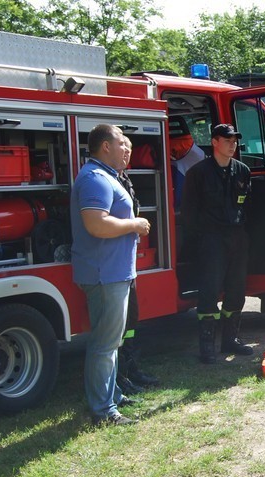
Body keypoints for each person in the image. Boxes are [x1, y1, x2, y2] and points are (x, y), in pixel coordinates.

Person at [71, 124, 150, 425]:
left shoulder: (107, 177)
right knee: (104, 344)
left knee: (112, 342)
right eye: (123, 143)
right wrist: (134, 224)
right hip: (105, 275)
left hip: (115, 273)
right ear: (105, 146)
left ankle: (111, 396)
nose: (128, 149)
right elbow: (96, 224)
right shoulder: (95, 178)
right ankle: (104, 411)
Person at [181, 124, 254, 364]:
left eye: (235, 139)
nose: (233, 143)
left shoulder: (242, 171)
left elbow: (247, 206)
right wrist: (198, 241)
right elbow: (189, 212)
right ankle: (207, 346)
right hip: (211, 239)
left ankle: (230, 339)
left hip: (237, 237)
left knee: (236, 290)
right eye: (227, 139)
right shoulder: (198, 173)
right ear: (214, 142)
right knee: (209, 291)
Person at [114, 136, 159, 394]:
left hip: (127, 263)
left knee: (131, 321)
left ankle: (131, 369)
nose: (127, 154)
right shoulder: (108, 180)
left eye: (130, 150)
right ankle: (120, 378)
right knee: (119, 327)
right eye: (124, 148)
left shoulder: (124, 179)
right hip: (115, 265)